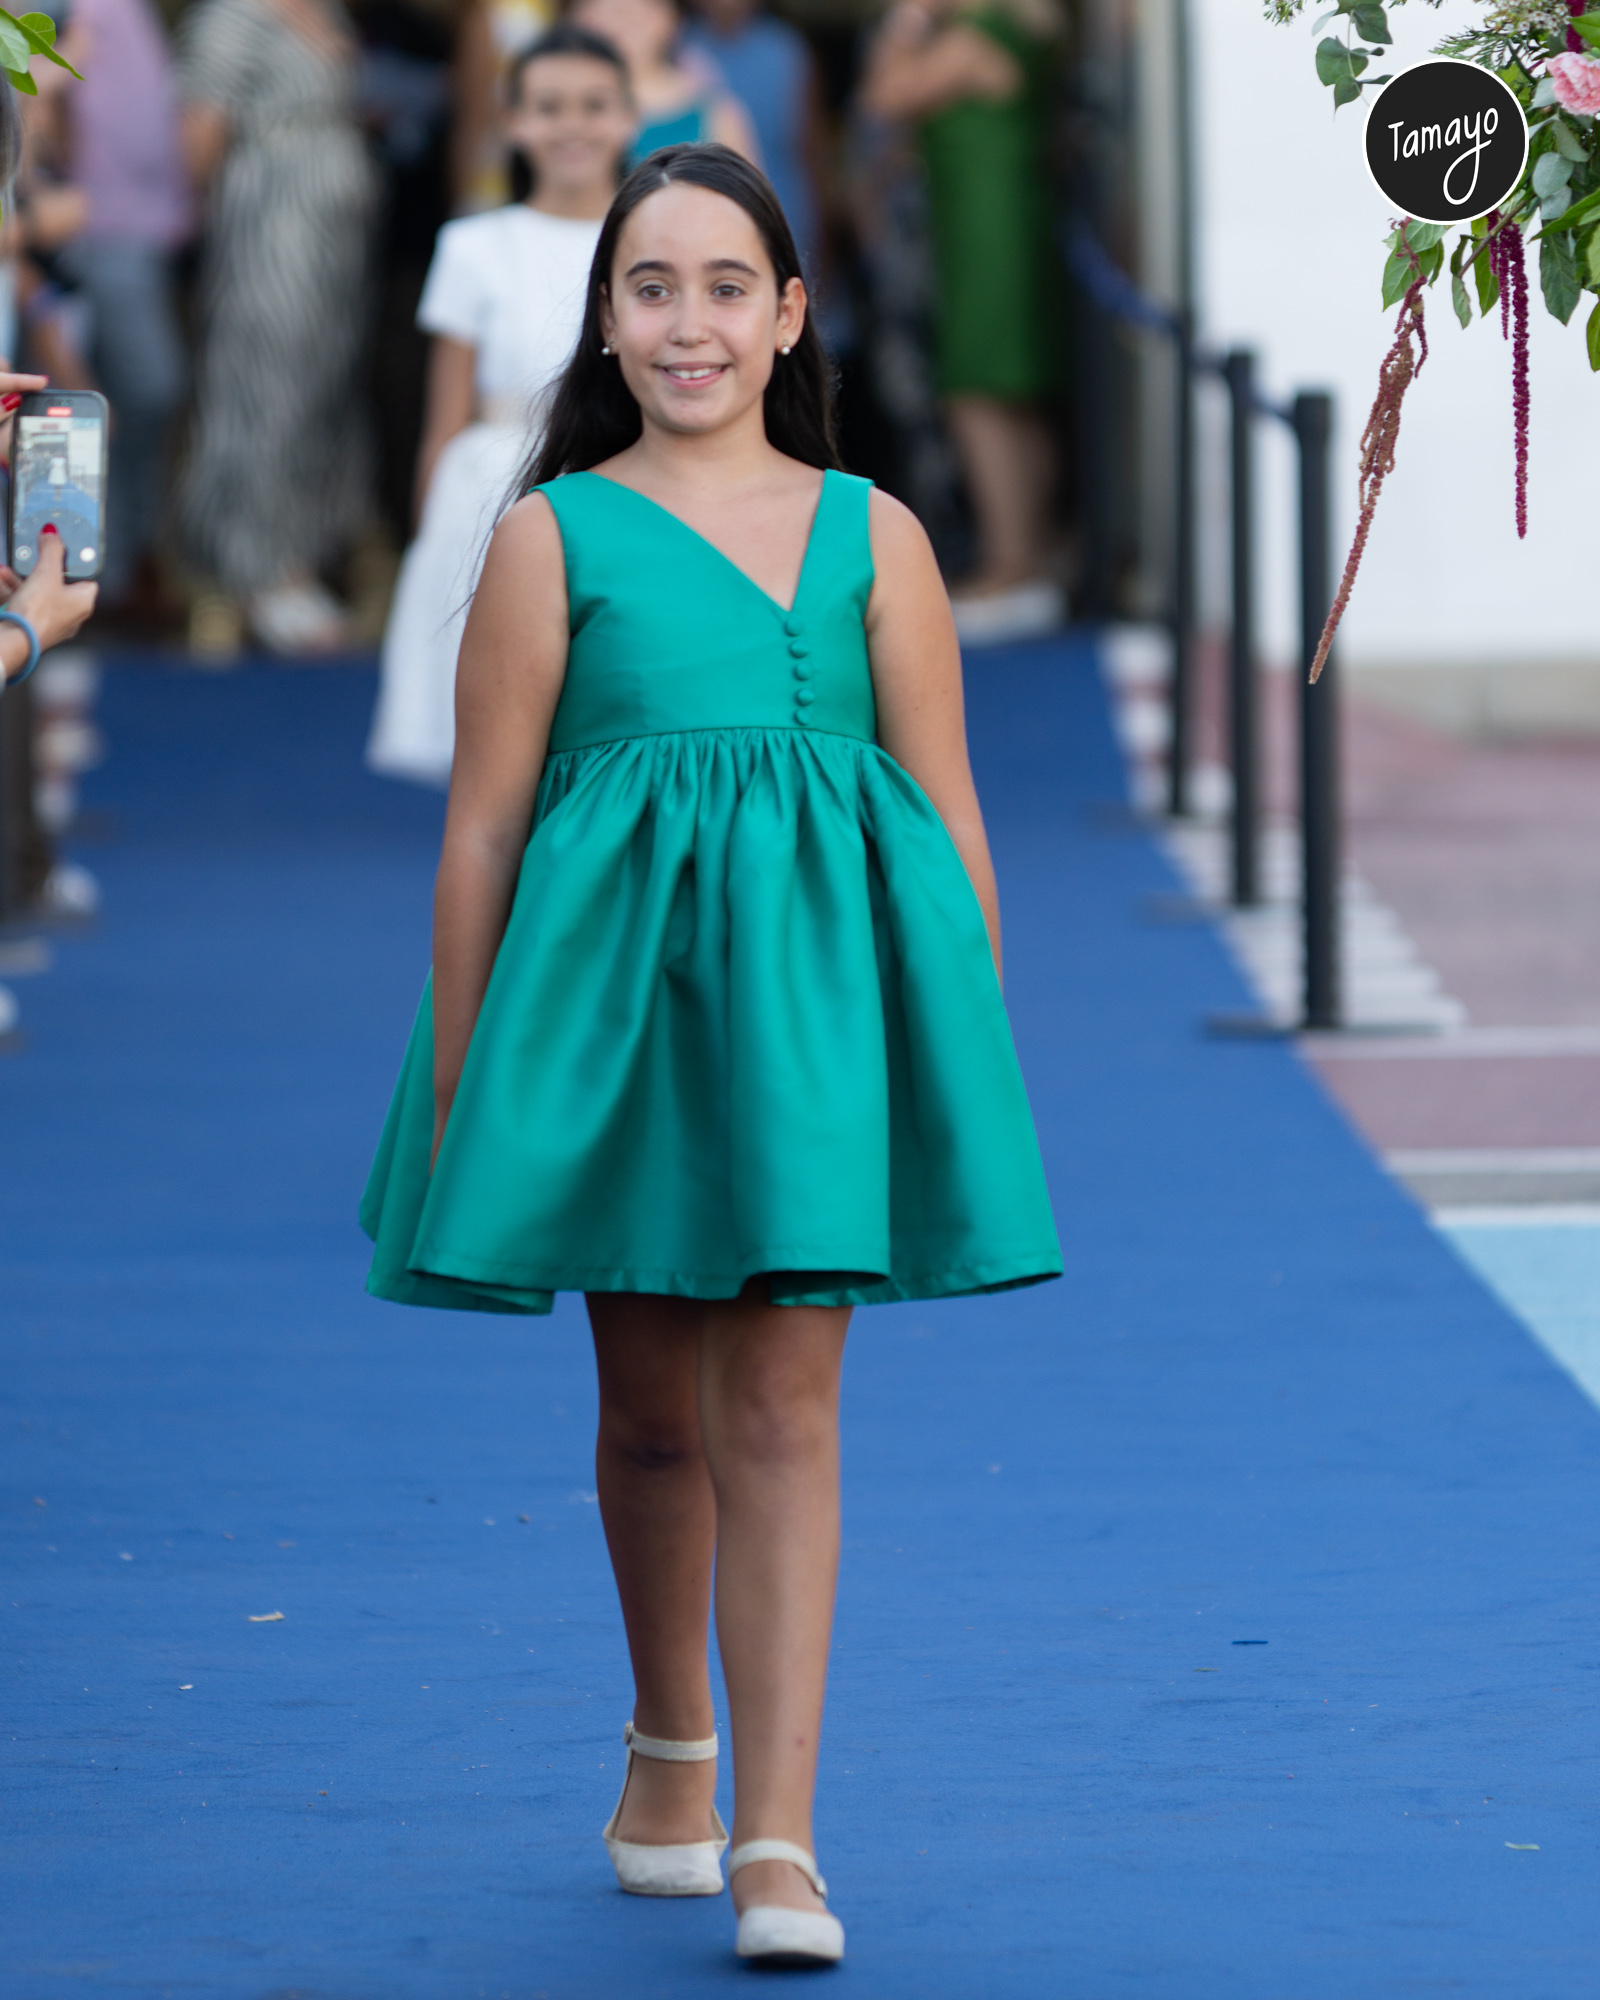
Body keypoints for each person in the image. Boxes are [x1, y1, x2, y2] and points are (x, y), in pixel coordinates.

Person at [360, 144, 1060, 1965]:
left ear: (791, 314)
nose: (691, 323)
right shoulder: (549, 537)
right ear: (605, 319)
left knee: (784, 1407)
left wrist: (960, 1052)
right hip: (620, 1023)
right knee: (652, 1417)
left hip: (819, 1029)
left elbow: (947, 809)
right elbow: (484, 832)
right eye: (652, 286)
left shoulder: (877, 534)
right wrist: (467, 1077)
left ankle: (780, 1841)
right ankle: (668, 1742)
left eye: (728, 286)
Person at [367, 23, 635, 784]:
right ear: (512, 120)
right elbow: (445, 415)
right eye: (548, 106)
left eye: (594, 105)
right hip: (491, 485)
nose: (572, 125)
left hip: (620, 476)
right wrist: (429, 536)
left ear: (628, 116)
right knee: (497, 720)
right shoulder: (474, 245)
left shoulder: (647, 242)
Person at [177, 0, 379, 656]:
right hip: (271, 226)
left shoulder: (325, 12)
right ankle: (252, 571)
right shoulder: (230, 18)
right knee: (264, 382)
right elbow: (199, 139)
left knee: (321, 389)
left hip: (332, 237)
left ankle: (297, 560)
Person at [862, 0, 1065, 644]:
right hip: (990, 227)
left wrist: (905, 23)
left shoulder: (975, 38)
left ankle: (1012, 564)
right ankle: (1031, 557)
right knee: (1009, 391)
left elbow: (882, 97)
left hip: (989, 233)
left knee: (975, 387)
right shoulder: (1007, 30)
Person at [41, 0, 191, 614]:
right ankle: (103, 570)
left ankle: (109, 570)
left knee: (112, 399)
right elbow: (34, 99)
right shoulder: (60, 5)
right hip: (94, 230)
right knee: (118, 395)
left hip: (136, 231)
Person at [683, 0, 821, 273]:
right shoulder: (678, 48)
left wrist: (824, 239)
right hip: (700, 220)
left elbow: (811, 148)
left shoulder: (786, 49)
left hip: (785, 205)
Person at [569, 0, 756, 161]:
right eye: (602, 6)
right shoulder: (563, 105)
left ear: (673, 17)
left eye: (644, 5)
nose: (621, 17)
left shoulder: (714, 112)